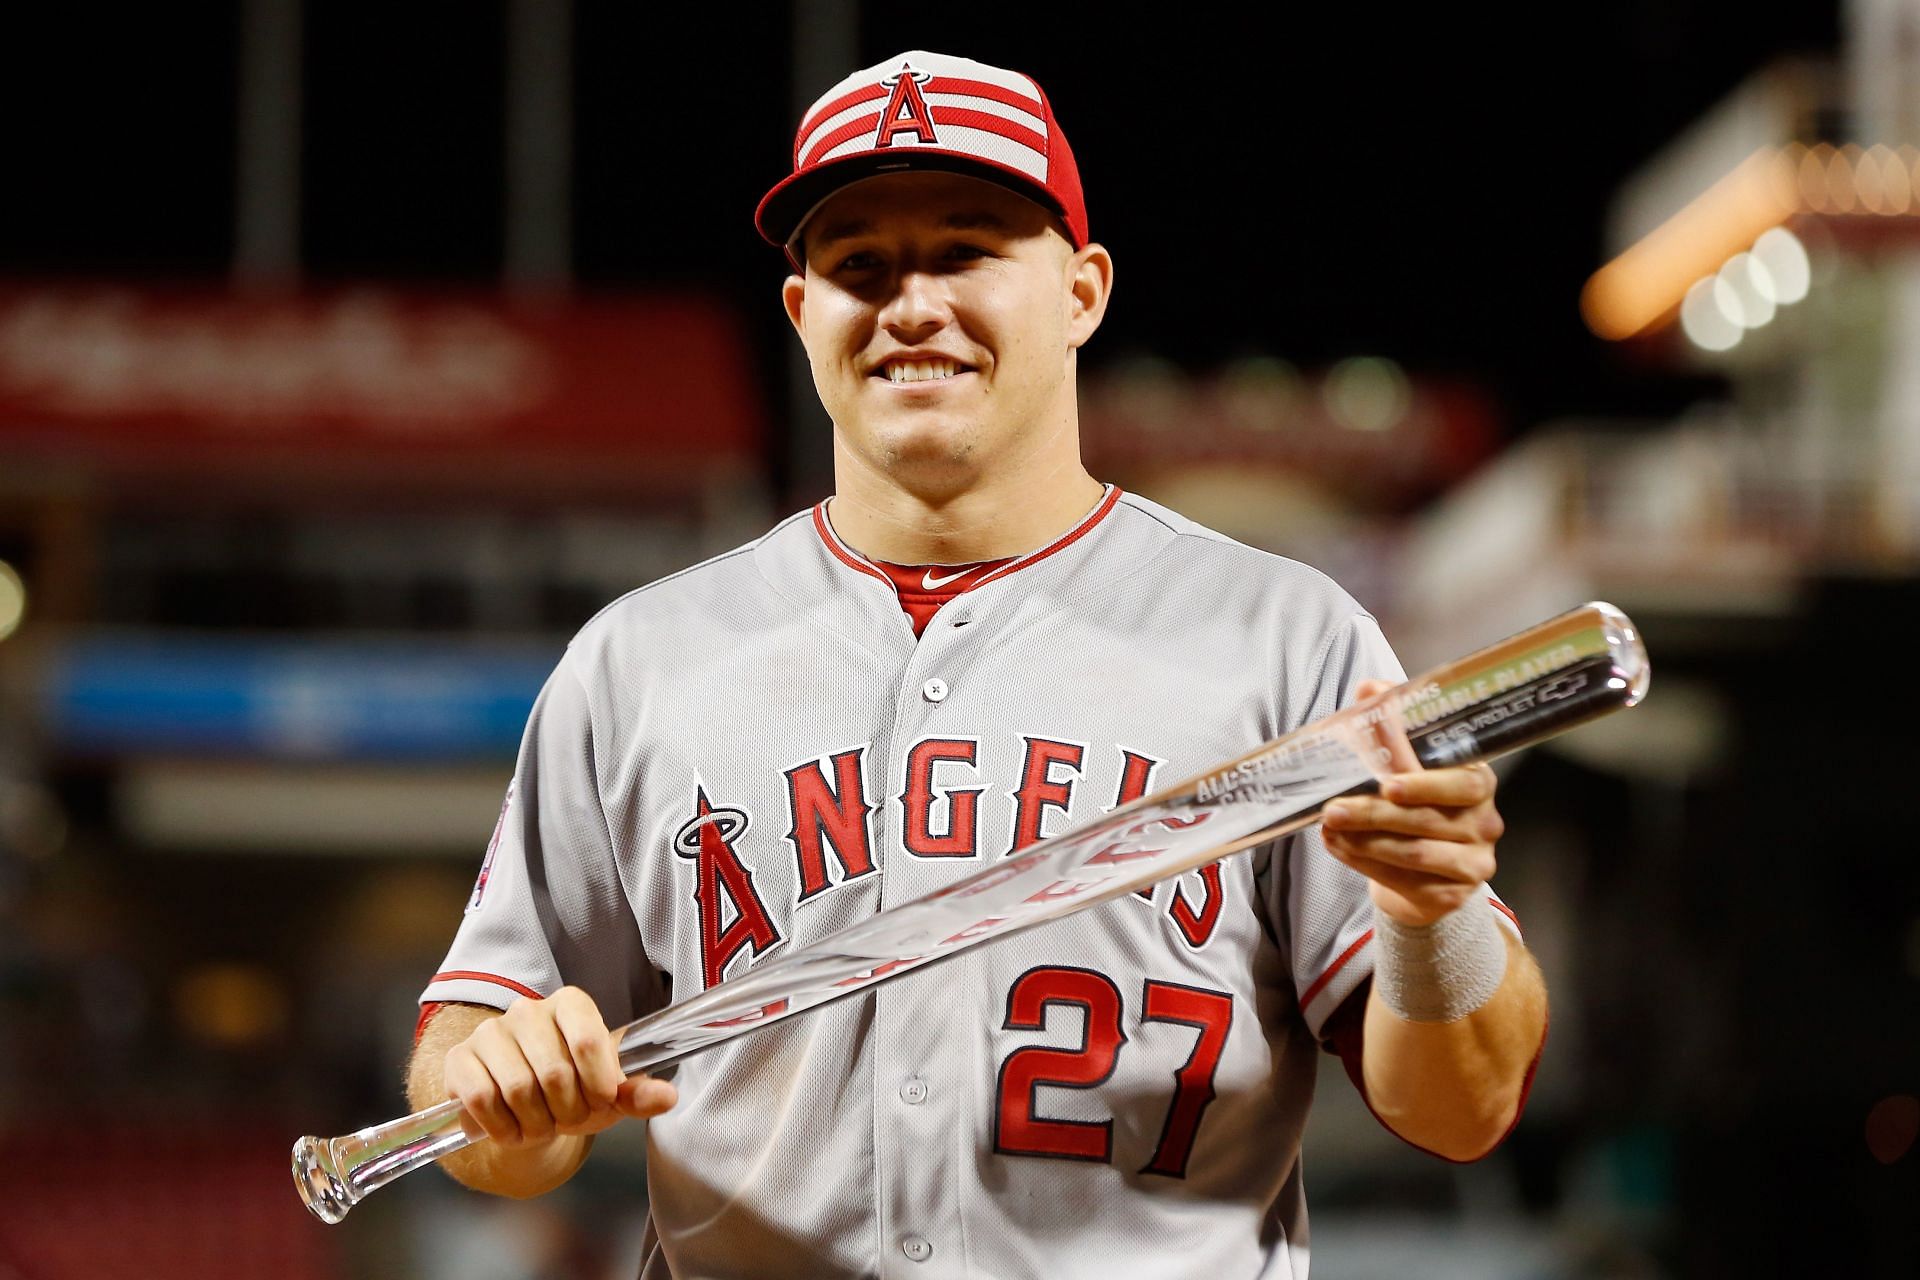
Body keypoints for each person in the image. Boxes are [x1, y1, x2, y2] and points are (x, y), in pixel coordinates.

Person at [407, 49, 1548, 1279]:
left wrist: (1428, 913)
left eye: (965, 250)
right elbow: (470, 1073)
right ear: (804, 316)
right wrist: (499, 1090)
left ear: (1081, 291)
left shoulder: (1286, 638)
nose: (911, 303)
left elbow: (1461, 1108)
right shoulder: (641, 660)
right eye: (859, 265)